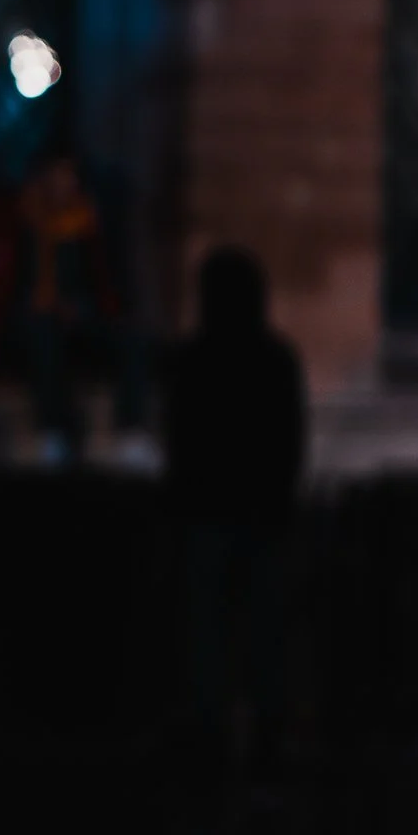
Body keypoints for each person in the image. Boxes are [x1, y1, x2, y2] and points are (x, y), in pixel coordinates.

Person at [164, 246, 307, 760]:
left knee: (209, 628)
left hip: (211, 509)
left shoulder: (193, 359)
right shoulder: (275, 359)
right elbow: (291, 439)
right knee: (263, 628)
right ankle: (266, 726)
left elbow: (180, 440)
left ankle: (212, 726)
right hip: (259, 510)